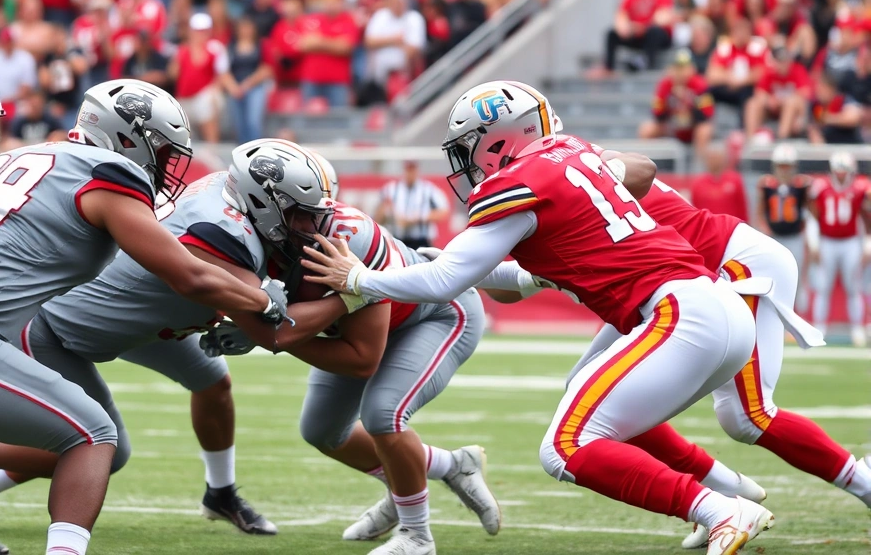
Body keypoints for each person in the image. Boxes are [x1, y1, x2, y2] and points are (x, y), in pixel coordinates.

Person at [303, 80, 775, 555]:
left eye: (470, 148)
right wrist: (457, 264)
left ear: (499, 139)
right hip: (718, 306)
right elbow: (512, 278)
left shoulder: (517, 183)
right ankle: (725, 491)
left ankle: (718, 509)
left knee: (565, 446)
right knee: (592, 400)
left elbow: (444, 281)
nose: (466, 162)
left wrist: (360, 279)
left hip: (679, 316)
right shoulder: (571, 152)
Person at [0, 79, 289, 555]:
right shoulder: (109, 172)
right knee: (94, 433)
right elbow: (189, 276)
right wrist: (263, 301)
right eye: (161, 150)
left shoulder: (25, 157)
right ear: (127, 139)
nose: (166, 164)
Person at [556, 151, 870, 550]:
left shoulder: (573, 181)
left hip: (730, 265)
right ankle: (722, 495)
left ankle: (863, 483)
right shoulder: (575, 173)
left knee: (747, 416)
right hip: (670, 284)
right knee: (585, 389)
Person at [212, 140, 499, 555]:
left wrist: (269, 331)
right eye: (304, 213)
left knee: (383, 415)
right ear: (260, 208)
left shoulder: (347, 238)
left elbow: (363, 359)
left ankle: (417, 535)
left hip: (434, 314)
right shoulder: (241, 237)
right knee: (323, 431)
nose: (317, 222)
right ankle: (450, 467)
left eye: (319, 209)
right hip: (354, 326)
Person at [807, 152, 869, 346]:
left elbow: (867, 217)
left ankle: (857, 328)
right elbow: (813, 215)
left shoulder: (861, 187)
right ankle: (819, 328)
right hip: (827, 241)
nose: (841, 174)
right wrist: (814, 242)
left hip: (850, 242)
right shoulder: (821, 186)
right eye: (838, 170)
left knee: (853, 286)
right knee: (823, 286)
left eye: (844, 171)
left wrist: (867, 244)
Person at [754, 144, 812, 313]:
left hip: (794, 236)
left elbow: (808, 210)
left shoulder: (802, 185)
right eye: (781, 166)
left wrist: (807, 235)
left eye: (788, 166)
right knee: (771, 276)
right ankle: (772, 315)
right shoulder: (766, 184)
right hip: (775, 237)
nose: (785, 170)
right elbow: (760, 210)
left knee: (797, 277)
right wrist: (764, 229)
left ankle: (797, 316)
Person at [638, 48, 714, 157]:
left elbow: (706, 115)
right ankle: (650, 165)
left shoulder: (700, 85)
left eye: (684, 67)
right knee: (646, 129)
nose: (681, 72)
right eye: (677, 67)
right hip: (672, 126)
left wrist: (689, 100)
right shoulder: (665, 84)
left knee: (704, 130)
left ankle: (699, 168)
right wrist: (669, 99)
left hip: (693, 126)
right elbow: (657, 114)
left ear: (692, 68)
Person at [169, 13, 229, 143]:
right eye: (197, 31)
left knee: (208, 105)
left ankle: (213, 150)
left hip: (204, 95)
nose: (200, 34)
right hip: (185, 97)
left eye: (203, 31)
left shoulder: (215, 48)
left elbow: (222, 74)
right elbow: (173, 75)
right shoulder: (182, 50)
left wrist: (216, 91)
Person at [298, 0, 360, 107]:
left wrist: (319, 41)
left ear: (341, 2)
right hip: (311, 79)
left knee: (339, 120)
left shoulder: (348, 20)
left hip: (338, 81)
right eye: (327, 1)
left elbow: (346, 47)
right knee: (309, 121)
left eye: (334, 1)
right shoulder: (313, 19)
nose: (330, 5)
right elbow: (303, 44)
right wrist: (334, 43)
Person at [601, 0, 674, 74]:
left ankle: (646, 61)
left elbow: (663, 17)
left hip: (656, 37)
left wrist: (643, 27)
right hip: (637, 35)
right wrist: (626, 28)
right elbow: (621, 16)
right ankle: (609, 68)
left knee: (654, 32)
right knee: (611, 34)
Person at [374, 160, 450, 250]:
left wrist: (418, 218)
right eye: (408, 169)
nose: (411, 173)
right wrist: (388, 212)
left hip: (421, 241)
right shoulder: (391, 189)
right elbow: (378, 218)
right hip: (397, 240)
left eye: (413, 169)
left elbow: (444, 212)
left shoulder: (428, 189)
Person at [744, 43, 811, 140]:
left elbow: (805, 93)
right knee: (752, 104)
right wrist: (769, 100)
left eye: (784, 60)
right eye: (779, 61)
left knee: (791, 102)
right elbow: (759, 92)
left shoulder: (798, 70)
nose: (782, 64)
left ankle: (782, 137)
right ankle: (751, 140)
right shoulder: (769, 72)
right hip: (773, 111)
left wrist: (781, 101)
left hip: (795, 113)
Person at [225, 17, 274, 143]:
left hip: (255, 86)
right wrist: (233, 87)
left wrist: (247, 84)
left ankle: (256, 148)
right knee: (238, 123)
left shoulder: (261, 45)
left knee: (253, 121)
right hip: (236, 87)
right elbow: (224, 70)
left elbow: (267, 68)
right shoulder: (231, 47)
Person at [690, 149, 748, 221]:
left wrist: (745, 224)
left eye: (717, 158)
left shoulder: (735, 180)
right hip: (707, 227)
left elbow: (741, 207)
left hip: (731, 226)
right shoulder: (698, 183)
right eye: (711, 158)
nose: (714, 161)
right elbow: (695, 208)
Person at [809, 72, 863, 144]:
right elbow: (814, 126)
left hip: (849, 145)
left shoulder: (843, 100)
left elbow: (853, 118)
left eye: (822, 88)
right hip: (829, 147)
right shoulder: (816, 106)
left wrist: (828, 118)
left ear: (831, 89)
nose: (818, 92)